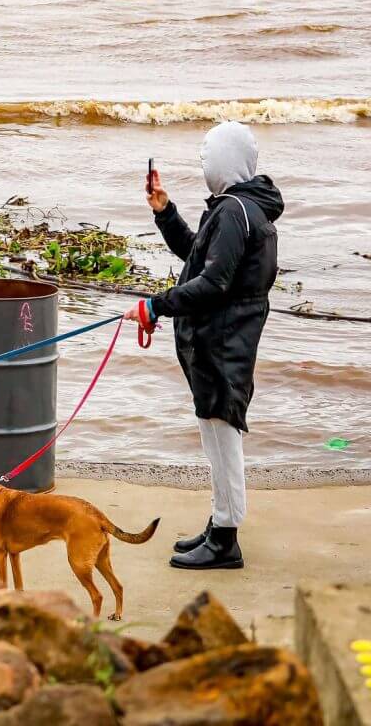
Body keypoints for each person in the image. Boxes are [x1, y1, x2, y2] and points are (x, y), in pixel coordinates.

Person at [124, 121, 283, 570]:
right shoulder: (240, 208)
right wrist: (165, 211)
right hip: (218, 339)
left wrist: (155, 307)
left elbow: (212, 283)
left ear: (227, 160)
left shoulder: (236, 210)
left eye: (207, 155)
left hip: (223, 341)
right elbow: (199, 255)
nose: (203, 162)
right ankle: (219, 523)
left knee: (222, 434)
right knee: (214, 431)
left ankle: (226, 539)